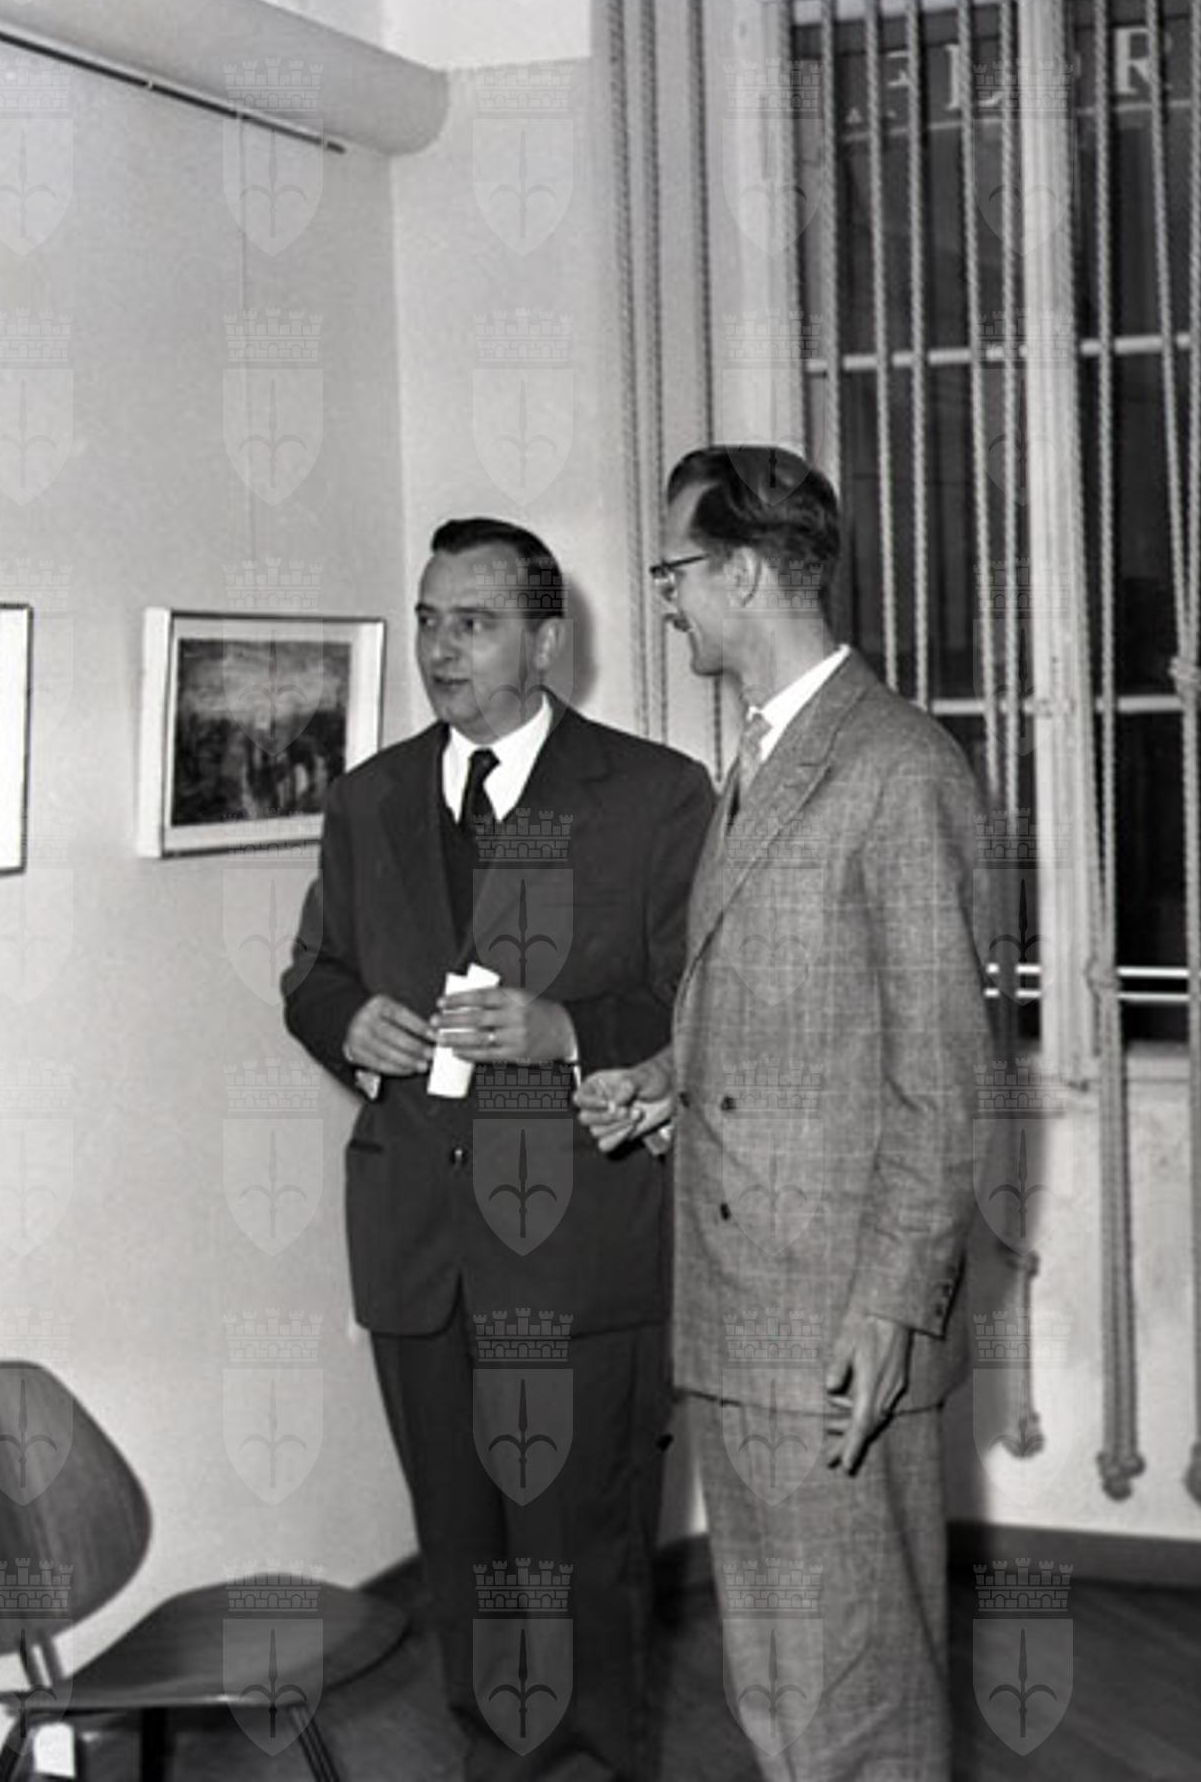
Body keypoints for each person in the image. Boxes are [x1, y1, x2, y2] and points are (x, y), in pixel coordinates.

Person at [577, 447, 996, 1781]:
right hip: (742, 1302)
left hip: (830, 1322)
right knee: (780, 1686)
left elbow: (942, 1075)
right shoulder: (765, 754)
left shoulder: (893, 766)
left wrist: (890, 1305)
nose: (662, 598)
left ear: (744, 572)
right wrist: (666, 1080)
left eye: (672, 570)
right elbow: (798, 1009)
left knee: (853, 1692)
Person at [283, 517, 714, 1780]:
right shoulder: (368, 797)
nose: (439, 648)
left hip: (581, 1247)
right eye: (428, 619)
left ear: (545, 641)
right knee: (462, 1560)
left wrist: (568, 1028)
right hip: (418, 1247)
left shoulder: (655, 794)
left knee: (583, 1557)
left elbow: (705, 1001)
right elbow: (313, 970)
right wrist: (344, 1021)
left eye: (471, 623)